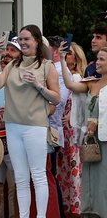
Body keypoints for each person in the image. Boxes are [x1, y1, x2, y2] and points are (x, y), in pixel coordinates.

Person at [0, 24, 61, 218]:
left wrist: (38, 85)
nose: (22, 42)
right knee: (20, 178)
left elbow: (56, 98)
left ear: (37, 41)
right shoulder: (13, 65)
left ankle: (40, 216)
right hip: (13, 125)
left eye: (26, 39)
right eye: (20, 39)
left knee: (38, 176)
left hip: (35, 126)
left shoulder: (47, 66)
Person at [67, 47, 107, 217]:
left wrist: (96, 121)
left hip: (105, 138)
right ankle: (90, 212)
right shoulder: (92, 82)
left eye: (102, 59)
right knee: (89, 177)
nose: (97, 62)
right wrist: (62, 58)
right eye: (97, 59)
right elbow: (70, 85)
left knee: (103, 180)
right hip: (91, 139)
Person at [58, 41, 89, 218]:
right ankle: (70, 205)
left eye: (69, 53)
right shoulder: (67, 76)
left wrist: (70, 115)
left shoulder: (76, 77)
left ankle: (75, 206)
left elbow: (79, 102)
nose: (66, 56)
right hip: (66, 129)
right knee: (68, 166)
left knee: (73, 165)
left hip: (73, 129)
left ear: (76, 58)